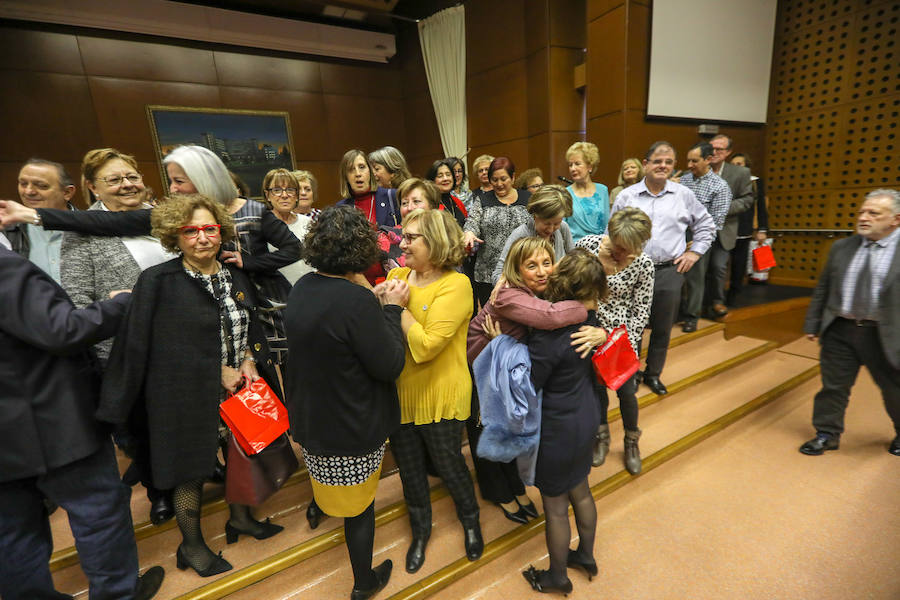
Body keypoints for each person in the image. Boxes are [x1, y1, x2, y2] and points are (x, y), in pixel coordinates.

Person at [98, 194, 284, 577]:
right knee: (191, 473)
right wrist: (218, 372)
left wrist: (248, 361)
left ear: (221, 231)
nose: (202, 238)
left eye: (210, 229)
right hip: (185, 396)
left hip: (240, 391)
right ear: (174, 236)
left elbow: (250, 324)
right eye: (191, 231)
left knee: (238, 458)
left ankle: (242, 519)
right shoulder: (158, 281)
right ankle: (192, 545)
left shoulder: (234, 273)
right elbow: (156, 347)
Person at [0, 246, 164, 600]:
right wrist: (122, 303)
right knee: (99, 513)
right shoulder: (3, 268)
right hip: (49, 423)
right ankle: (119, 594)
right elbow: (61, 330)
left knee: (14, 531)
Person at [285, 204, 406, 600]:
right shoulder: (356, 302)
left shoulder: (303, 287)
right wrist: (391, 310)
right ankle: (362, 583)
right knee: (360, 508)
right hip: (352, 422)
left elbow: (335, 334)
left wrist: (370, 304)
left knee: (332, 489)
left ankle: (321, 509)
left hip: (313, 419)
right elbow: (389, 365)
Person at [62, 148, 176, 526]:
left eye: (131, 176)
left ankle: (202, 469)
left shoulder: (162, 216)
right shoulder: (84, 230)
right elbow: (77, 300)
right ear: (92, 188)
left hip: (182, 339)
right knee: (145, 426)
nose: (127, 184)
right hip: (129, 350)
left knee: (189, 413)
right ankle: (160, 491)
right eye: (114, 179)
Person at [467, 236, 598, 524]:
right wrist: (588, 305)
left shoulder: (541, 289)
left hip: (509, 369)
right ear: (516, 270)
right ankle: (499, 493)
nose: (541, 271)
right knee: (490, 431)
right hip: (486, 371)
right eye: (531, 265)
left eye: (547, 263)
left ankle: (515, 488)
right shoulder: (507, 294)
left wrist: (600, 332)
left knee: (510, 431)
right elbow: (551, 317)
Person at [386, 209, 484, 573]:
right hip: (400, 394)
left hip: (441, 393)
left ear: (437, 243)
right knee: (410, 470)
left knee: (448, 463)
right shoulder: (396, 275)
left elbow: (426, 347)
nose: (402, 242)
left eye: (412, 238)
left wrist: (397, 309)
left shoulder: (456, 285)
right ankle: (420, 531)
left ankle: (471, 520)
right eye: (404, 235)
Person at [165, 144, 301, 367]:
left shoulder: (254, 212)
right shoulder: (180, 217)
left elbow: (295, 248)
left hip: (266, 308)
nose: (173, 189)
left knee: (279, 379)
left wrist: (248, 262)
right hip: (218, 314)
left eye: (179, 181)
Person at [522, 248, 608, 596]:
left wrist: (501, 345)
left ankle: (557, 577)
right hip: (587, 415)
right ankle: (585, 555)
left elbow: (530, 384)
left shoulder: (549, 334)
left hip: (556, 426)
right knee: (582, 490)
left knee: (556, 508)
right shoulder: (593, 324)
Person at [610, 141, 716, 396]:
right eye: (658, 161)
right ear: (645, 164)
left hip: (670, 271)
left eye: (669, 162)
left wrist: (694, 252)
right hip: (634, 270)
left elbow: (707, 226)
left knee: (663, 326)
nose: (663, 166)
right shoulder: (627, 196)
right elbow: (611, 232)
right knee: (632, 325)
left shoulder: (683, 195)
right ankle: (631, 372)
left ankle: (653, 373)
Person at [800, 189, 900, 457]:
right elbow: (823, 288)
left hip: (886, 334)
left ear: (895, 220)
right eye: (862, 212)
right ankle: (826, 434)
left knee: (894, 390)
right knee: (833, 387)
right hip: (840, 330)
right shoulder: (842, 247)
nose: (864, 218)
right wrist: (813, 323)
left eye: (873, 213)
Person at [576, 208, 655, 474]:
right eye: (620, 247)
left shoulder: (643, 263)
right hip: (589, 330)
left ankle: (632, 441)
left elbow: (640, 311)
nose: (624, 255)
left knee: (627, 393)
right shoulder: (586, 246)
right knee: (597, 390)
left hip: (623, 338)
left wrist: (615, 342)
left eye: (632, 248)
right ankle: (602, 437)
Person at [463, 156, 532, 308]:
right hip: (488, 273)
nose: (499, 184)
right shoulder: (482, 200)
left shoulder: (528, 199)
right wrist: (469, 233)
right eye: (494, 180)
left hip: (522, 270)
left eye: (503, 179)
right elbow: (472, 222)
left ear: (513, 177)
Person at [678, 141, 733, 333]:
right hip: (676, 233)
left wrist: (698, 242)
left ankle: (692, 316)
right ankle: (675, 312)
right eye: (688, 161)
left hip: (699, 236)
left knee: (694, 278)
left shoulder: (720, 186)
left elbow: (717, 222)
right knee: (674, 276)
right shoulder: (683, 180)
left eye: (694, 161)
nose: (689, 165)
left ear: (708, 160)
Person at [705, 134, 755, 317]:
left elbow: (747, 199)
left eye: (720, 149)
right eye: (712, 148)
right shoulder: (698, 169)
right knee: (696, 271)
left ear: (728, 152)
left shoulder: (740, 173)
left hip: (724, 230)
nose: (715, 152)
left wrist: (724, 208)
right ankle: (693, 306)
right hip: (698, 231)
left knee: (718, 267)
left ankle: (717, 302)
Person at [6, 158, 77, 281]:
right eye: (23, 184)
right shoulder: (7, 230)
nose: (29, 191)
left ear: (67, 192)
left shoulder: (90, 227)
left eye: (41, 186)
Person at [491, 184, 574, 283]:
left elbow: (573, 259)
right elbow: (497, 275)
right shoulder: (520, 234)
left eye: (556, 223)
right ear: (535, 215)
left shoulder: (563, 228)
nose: (551, 229)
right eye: (547, 223)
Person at [727, 153, 769, 305]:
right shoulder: (726, 180)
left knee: (739, 266)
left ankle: (734, 295)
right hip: (725, 230)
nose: (736, 167)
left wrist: (762, 229)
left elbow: (761, 207)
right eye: (733, 164)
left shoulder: (755, 182)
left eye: (739, 164)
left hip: (744, 230)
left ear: (747, 166)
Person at [262, 168, 314, 285]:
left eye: (290, 190)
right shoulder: (260, 225)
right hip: (275, 296)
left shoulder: (308, 222)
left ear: (296, 195)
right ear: (268, 195)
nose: (284, 195)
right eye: (277, 190)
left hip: (308, 290)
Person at [564, 142, 610, 243]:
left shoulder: (603, 190)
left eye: (577, 164)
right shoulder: (565, 193)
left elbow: (608, 226)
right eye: (570, 165)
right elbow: (562, 229)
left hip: (600, 249)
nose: (573, 168)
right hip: (575, 251)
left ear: (590, 166)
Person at [426, 159, 468, 228]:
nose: (445, 179)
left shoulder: (458, 202)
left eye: (448, 175)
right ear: (432, 180)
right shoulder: (429, 204)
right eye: (440, 176)